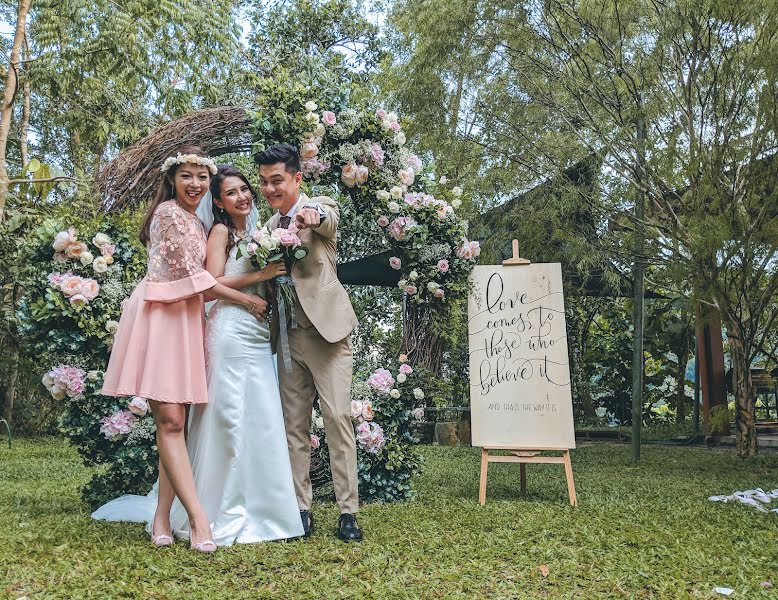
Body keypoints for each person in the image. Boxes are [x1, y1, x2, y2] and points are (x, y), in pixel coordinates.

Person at [97, 147, 268, 553]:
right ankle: (198, 519)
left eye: (201, 177)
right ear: (172, 180)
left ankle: (160, 516)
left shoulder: (196, 220)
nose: (194, 184)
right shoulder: (169, 214)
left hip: (188, 320)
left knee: (176, 423)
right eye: (186, 176)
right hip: (162, 317)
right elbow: (199, 280)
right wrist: (247, 299)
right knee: (171, 420)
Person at [167, 165, 304, 545]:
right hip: (229, 330)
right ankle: (217, 509)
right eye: (231, 193)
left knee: (261, 416)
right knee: (228, 417)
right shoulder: (221, 232)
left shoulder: (263, 233)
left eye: (245, 189)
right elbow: (208, 286)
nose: (242, 196)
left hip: (259, 332)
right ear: (219, 203)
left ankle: (268, 511)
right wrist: (254, 284)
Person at [255, 143, 362, 542]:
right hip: (286, 338)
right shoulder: (264, 231)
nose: (269, 188)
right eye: (264, 182)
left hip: (328, 337)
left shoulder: (319, 206)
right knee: (293, 428)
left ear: (297, 178)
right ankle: (300, 510)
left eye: (277, 180)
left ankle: (348, 511)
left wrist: (311, 215)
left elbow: (328, 219)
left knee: (337, 419)